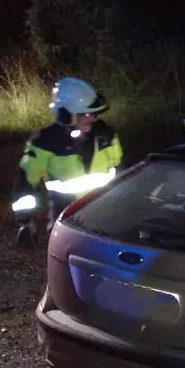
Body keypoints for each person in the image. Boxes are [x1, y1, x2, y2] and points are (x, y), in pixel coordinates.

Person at [11, 77, 123, 247]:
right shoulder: (45, 141)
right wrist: (26, 222)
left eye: (93, 113)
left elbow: (123, 172)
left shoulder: (106, 135)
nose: (92, 118)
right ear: (66, 114)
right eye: (85, 114)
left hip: (106, 216)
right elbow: (26, 184)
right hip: (66, 218)